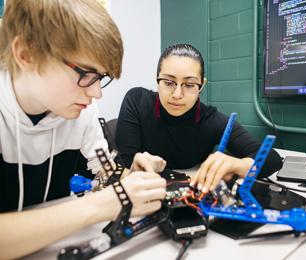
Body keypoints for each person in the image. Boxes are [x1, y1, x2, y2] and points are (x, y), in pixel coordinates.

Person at [0, 1, 166, 258]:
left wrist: (129, 178)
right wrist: (100, 205)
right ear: (26, 54)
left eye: (100, 78)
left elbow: (105, 173)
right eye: (87, 74)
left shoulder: (82, 109)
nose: (96, 93)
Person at [116, 43, 283, 194]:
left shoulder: (211, 120)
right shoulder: (137, 101)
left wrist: (235, 165)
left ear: (201, 86)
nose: (177, 94)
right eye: (168, 82)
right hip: (140, 193)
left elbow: (272, 159)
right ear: (157, 79)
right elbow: (125, 162)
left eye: (189, 85)